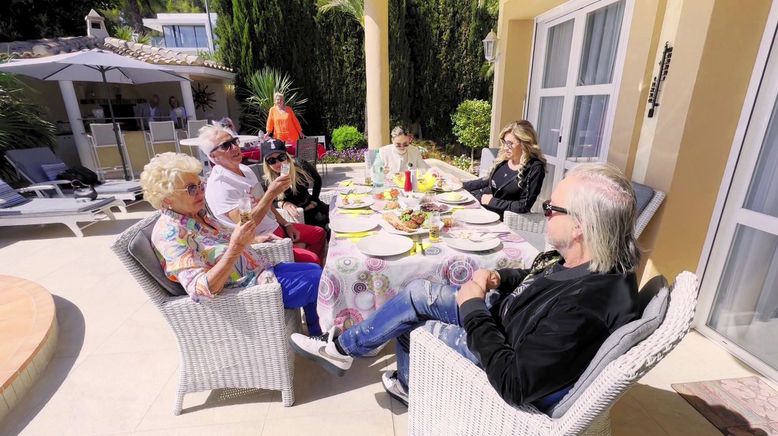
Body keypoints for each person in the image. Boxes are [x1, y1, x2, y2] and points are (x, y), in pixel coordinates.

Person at [290, 162, 640, 409]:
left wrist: (473, 307)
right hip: (505, 317)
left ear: (580, 225)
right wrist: (502, 277)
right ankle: (342, 349)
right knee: (414, 293)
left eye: (551, 209)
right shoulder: (589, 260)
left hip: (500, 345)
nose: (545, 212)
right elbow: (541, 278)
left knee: (412, 326)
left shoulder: (586, 304)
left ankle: (406, 383)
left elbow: (514, 381)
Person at [139, 152, 323, 336]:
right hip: (248, 292)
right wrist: (236, 247)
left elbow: (225, 241)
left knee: (315, 270)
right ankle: (326, 337)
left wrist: (254, 239)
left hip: (261, 270)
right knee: (319, 282)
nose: (201, 191)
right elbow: (201, 289)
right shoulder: (170, 235)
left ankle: (317, 334)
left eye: (200, 184)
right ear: (166, 199)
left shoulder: (197, 214)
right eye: (191, 189)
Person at [199, 125, 327, 266]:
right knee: (312, 259)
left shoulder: (245, 169)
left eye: (234, 141)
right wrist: (271, 193)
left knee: (319, 233)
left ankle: (312, 270)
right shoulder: (221, 186)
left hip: (277, 227)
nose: (235, 147)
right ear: (213, 156)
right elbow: (245, 224)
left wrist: (286, 224)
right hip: (265, 241)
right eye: (225, 146)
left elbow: (266, 205)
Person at [463, 120, 546, 218]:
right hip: (481, 208)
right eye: (504, 142)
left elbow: (524, 206)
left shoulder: (534, 167)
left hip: (501, 220)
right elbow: (487, 181)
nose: (505, 147)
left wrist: (493, 202)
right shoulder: (504, 159)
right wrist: (462, 185)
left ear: (524, 144)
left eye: (510, 143)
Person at [260, 139, 329, 231]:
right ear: (267, 164)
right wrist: (282, 204)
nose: (278, 163)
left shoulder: (300, 165)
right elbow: (267, 203)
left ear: (287, 156)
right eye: (272, 160)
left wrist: (314, 200)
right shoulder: (267, 181)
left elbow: (317, 179)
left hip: (312, 207)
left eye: (281, 157)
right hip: (293, 217)